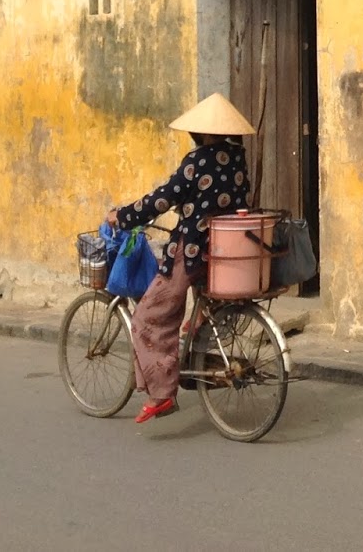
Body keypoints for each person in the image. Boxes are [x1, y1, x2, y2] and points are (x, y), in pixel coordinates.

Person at [105, 92, 255, 423]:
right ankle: (195, 347)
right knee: (191, 313)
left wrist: (124, 215)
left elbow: (163, 198)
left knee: (149, 317)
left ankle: (161, 393)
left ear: (198, 132)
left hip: (191, 249)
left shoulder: (197, 161)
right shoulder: (238, 157)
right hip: (225, 248)